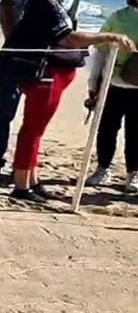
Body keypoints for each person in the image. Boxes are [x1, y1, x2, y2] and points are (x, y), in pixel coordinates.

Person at [0, 0, 136, 202]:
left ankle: (31, 180)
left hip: (51, 73)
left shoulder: (51, 5)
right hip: (44, 73)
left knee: (37, 130)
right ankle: (21, 184)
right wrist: (109, 36)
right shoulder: (46, 5)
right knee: (32, 129)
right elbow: (69, 38)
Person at [85, 0, 138, 191]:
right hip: (113, 82)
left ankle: (133, 173)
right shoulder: (118, 17)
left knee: (135, 132)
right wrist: (93, 83)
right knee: (107, 127)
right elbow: (100, 51)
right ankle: (102, 168)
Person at [0, 0, 29, 181]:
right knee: (5, 112)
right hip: (14, 58)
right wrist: (13, 39)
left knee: (33, 119)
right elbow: (4, 6)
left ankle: (23, 166)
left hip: (43, 58)